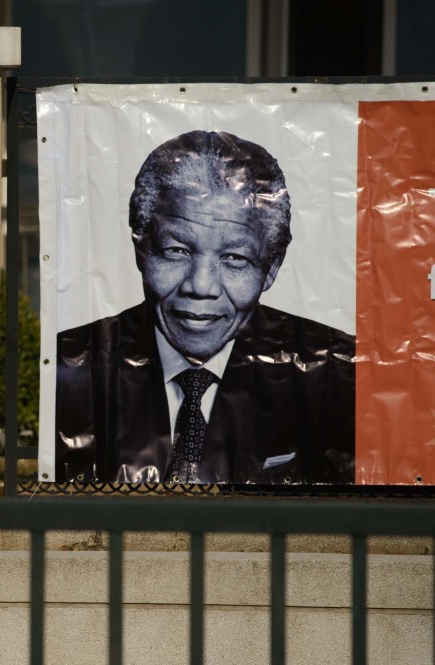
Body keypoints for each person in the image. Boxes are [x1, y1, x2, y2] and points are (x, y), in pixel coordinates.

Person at [55, 130, 355, 485]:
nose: (200, 286)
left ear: (271, 267)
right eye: (176, 251)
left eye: (234, 258)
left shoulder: (341, 371)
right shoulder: (70, 363)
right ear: (141, 248)